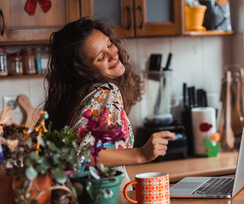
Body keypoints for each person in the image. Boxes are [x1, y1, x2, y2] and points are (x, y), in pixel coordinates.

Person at [44, 18, 175, 185]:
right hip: (104, 203)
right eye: (101, 57)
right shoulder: (104, 91)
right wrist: (141, 154)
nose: (113, 54)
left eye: (109, 44)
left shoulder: (77, 97)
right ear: (83, 70)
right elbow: (80, 155)